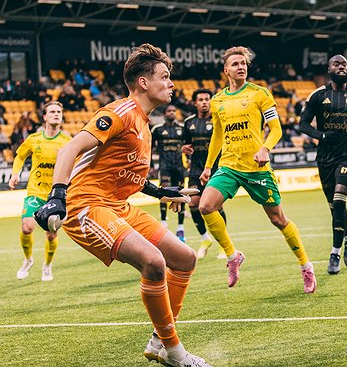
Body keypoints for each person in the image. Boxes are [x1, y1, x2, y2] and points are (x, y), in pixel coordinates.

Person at [33, 44, 211, 365]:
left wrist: (161, 192)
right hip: (86, 205)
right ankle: (174, 351)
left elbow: (128, 174)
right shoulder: (120, 112)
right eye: (164, 77)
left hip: (117, 205)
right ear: (143, 82)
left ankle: (158, 340)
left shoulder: (144, 124)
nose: (171, 84)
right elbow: (69, 149)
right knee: (154, 262)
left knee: (184, 258)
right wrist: (57, 196)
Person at [198, 46, 317, 292]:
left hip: (256, 168)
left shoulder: (260, 94)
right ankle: (233, 256)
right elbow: (217, 135)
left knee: (278, 219)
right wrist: (208, 166)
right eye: (235, 64)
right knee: (205, 206)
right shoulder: (217, 100)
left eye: (243, 63)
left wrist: (265, 149)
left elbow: (276, 129)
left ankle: (306, 266)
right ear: (226, 70)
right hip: (229, 165)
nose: (241, 67)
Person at [298, 54, 347, 275]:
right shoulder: (318, 95)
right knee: (335, 207)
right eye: (337, 64)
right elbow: (303, 124)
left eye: (344, 64)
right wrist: (321, 136)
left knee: (339, 198)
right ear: (329, 69)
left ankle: (335, 253)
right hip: (325, 158)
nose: (341, 67)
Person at [9, 101, 71, 281]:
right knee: (27, 227)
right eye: (52, 112)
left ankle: (47, 266)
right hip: (35, 192)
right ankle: (28, 260)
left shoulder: (67, 142)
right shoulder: (34, 139)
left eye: (59, 111)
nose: (56, 114)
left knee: (51, 235)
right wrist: (15, 174)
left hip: (55, 195)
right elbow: (20, 156)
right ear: (44, 117)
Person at [181, 89, 229, 259]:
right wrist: (184, 149)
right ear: (195, 103)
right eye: (200, 99)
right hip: (195, 169)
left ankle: (223, 245)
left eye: (207, 99)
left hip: (215, 168)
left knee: (216, 206)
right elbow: (186, 144)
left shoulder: (218, 119)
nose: (204, 102)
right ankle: (205, 239)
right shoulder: (188, 123)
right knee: (193, 204)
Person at [151, 104, 188, 240]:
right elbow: (149, 148)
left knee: (181, 194)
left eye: (174, 110)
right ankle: (163, 223)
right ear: (164, 114)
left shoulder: (182, 129)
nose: (172, 113)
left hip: (179, 167)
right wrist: (150, 165)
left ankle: (180, 228)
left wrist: (189, 160)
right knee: (163, 192)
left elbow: (188, 146)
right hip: (165, 167)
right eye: (169, 111)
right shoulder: (157, 130)